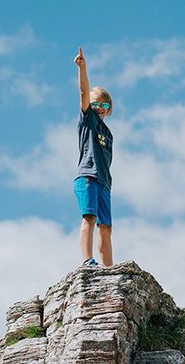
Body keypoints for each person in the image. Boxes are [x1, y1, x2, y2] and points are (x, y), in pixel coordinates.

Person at [73, 46, 114, 267]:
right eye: (96, 103)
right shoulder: (87, 120)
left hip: (104, 183)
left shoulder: (108, 134)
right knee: (89, 217)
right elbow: (83, 91)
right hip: (88, 177)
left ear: (109, 109)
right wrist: (82, 68)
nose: (99, 108)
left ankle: (109, 269)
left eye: (104, 105)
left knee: (106, 227)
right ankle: (87, 261)